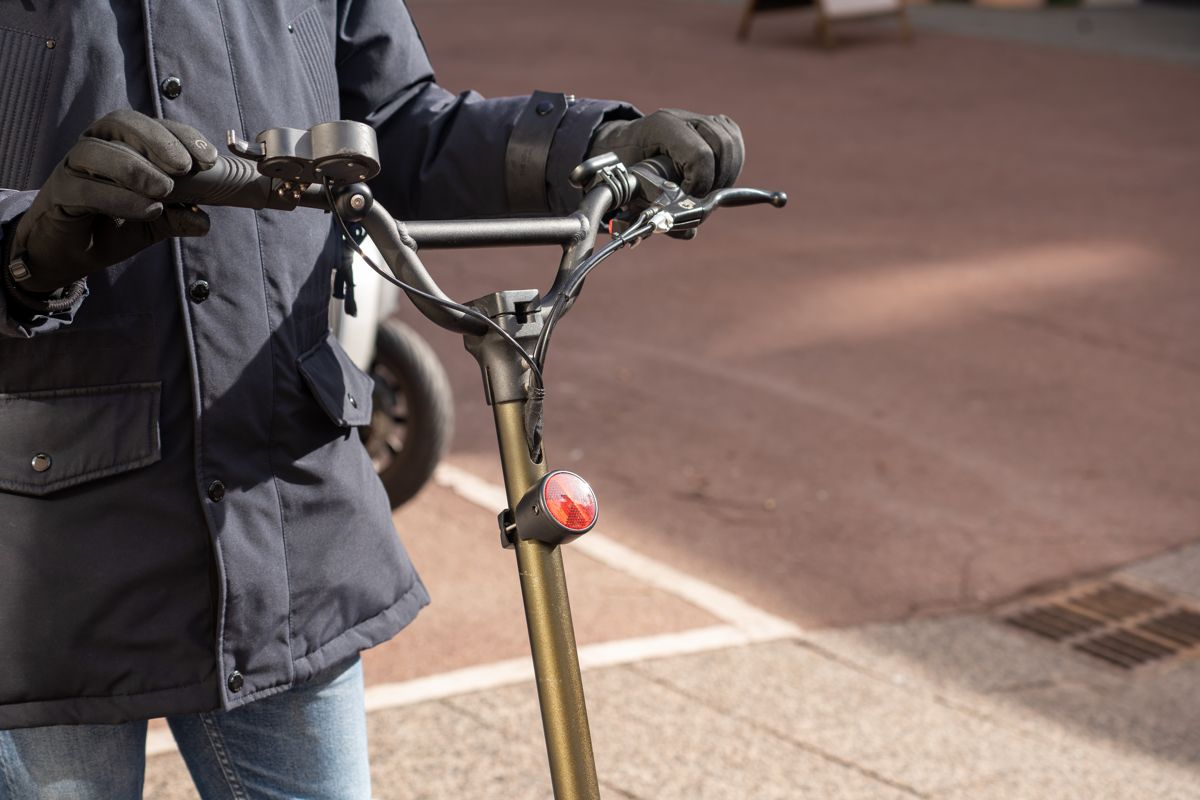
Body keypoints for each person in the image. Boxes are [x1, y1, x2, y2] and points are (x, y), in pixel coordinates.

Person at [0, 1, 744, 797]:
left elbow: (393, 124)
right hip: (51, 531)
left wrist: (593, 143)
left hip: (280, 502)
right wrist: (25, 240)